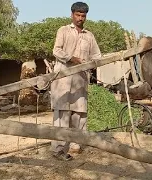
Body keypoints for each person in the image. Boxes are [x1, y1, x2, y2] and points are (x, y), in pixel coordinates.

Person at [50, 2, 101, 161]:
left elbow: (97, 56)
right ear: (72, 14)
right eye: (77, 15)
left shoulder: (89, 36)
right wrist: (73, 58)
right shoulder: (63, 30)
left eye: (83, 16)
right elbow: (56, 50)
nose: (80, 18)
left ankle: (76, 145)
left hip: (80, 81)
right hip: (63, 80)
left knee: (79, 113)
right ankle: (58, 149)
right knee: (62, 114)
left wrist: (94, 62)